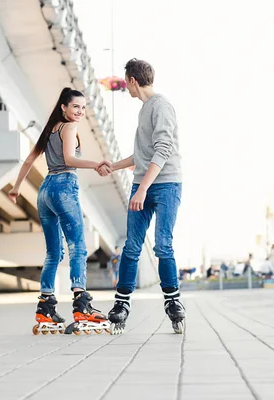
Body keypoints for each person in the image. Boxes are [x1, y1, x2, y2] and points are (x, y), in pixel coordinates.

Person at [9, 87, 110, 332]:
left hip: (45, 191)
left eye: (83, 108)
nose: (80, 112)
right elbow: (69, 160)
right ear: (63, 107)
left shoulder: (49, 129)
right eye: (76, 106)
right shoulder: (68, 127)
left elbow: (29, 160)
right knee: (78, 246)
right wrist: (97, 164)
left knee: (54, 253)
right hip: (64, 186)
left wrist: (16, 187)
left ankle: (45, 308)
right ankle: (81, 304)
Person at [101, 59, 185, 334]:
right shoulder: (145, 110)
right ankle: (121, 305)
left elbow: (163, 150)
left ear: (133, 81)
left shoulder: (160, 106)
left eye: (127, 82)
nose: (126, 87)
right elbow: (141, 156)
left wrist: (143, 189)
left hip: (166, 184)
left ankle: (173, 304)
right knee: (132, 247)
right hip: (144, 183)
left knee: (162, 244)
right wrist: (112, 166)